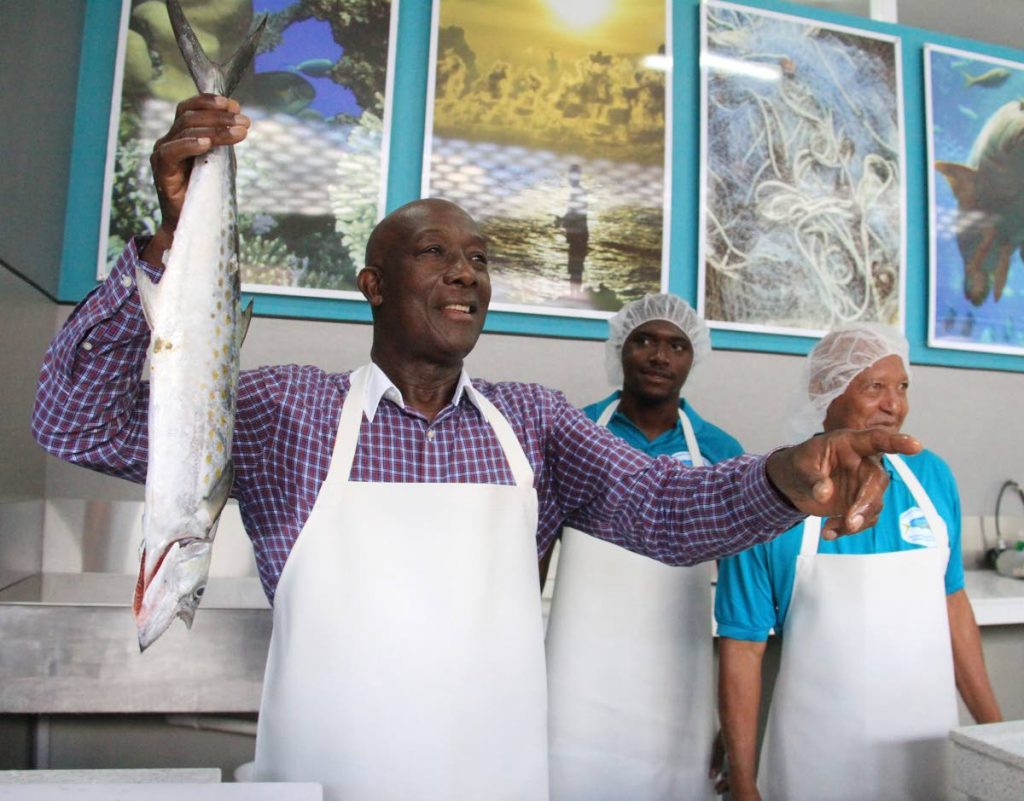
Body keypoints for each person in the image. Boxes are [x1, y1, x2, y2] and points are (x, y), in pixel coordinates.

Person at [32, 94, 920, 801]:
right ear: (372, 286)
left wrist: (784, 472)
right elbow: (77, 420)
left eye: (480, 258)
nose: (467, 271)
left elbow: (664, 511)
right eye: (435, 252)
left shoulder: (531, 424)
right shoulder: (285, 412)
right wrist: (168, 241)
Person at [713, 323, 1003, 801]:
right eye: (874, 387)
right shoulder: (772, 496)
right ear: (825, 392)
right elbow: (742, 649)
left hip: (925, 751)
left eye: (902, 387)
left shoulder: (932, 477)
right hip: (816, 757)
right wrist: (743, 782)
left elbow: (952, 605)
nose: (895, 405)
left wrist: (997, 737)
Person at [545, 294, 742, 801]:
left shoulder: (721, 451)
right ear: (620, 349)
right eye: (645, 340)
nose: (660, 356)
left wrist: (728, 719)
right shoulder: (576, 432)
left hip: (677, 675)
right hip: (577, 674)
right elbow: (535, 551)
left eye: (676, 345)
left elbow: (741, 595)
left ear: (692, 358)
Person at [554, 163, 589, 290]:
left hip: (578, 237)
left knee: (575, 268)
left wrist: (561, 221)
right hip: (577, 237)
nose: (570, 178)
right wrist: (562, 220)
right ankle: (573, 293)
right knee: (575, 268)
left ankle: (574, 293)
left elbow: (574, 215)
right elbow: (572, 214)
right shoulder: (578, 192)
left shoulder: (579, 193)